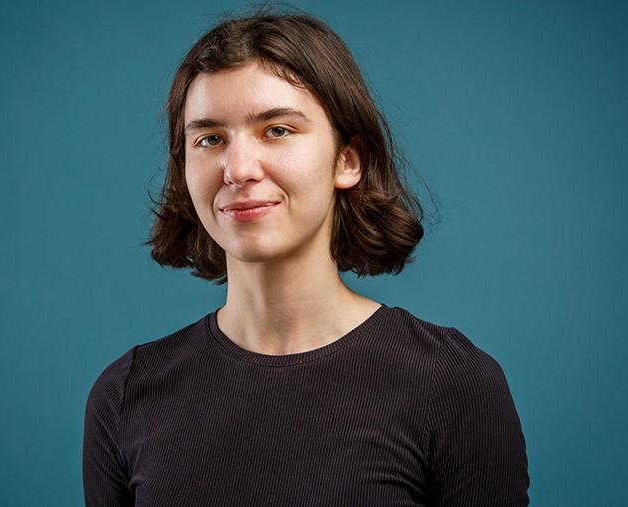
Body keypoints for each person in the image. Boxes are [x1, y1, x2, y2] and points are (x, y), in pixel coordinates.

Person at [83, 10, 529, 507]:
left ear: (347, 160)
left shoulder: (450, 382)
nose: (238, 169)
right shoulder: (125, 394)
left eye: (277, 130)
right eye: (209, 139)